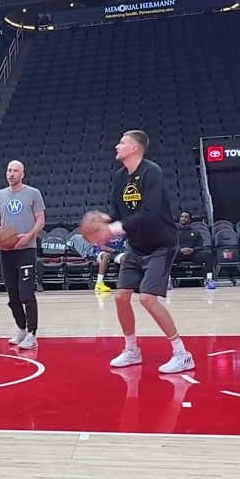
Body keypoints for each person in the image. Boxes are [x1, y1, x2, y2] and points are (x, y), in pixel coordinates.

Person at [86, 130, 194, 374]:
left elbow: (150, 212)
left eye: (122, 142)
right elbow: (118, 211)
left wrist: (113, 229)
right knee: (120, 297)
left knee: (147, 298)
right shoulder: (119, 177)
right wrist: (103, 221)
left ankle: (182, 354)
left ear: (134, 148)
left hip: (161, 244)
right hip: (136, 246)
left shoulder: (151, 172)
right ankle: (132, 350)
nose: (117, 146)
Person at [0, 160, 46, 350]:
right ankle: (21, 328)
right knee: (13, 296)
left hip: (26, 250)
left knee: (26, 293)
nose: (11, 174)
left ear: (22, 174)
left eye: (15, 171)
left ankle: (32, 334)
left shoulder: (33, 193)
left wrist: (29, 235)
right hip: (6, 251)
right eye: (9, 170)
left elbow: (41, 220)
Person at [173, 212, 215, 289]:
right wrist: (180, 250)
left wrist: (192, 250)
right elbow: (172, 245)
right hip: (180, 253)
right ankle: (168, 281)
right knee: (167, 255)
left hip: (193, 254)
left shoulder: (196, 232)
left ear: (189, 220)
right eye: (182, 217)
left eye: (185, 217)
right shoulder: (175, 232)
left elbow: (200, 246)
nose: (183, 218)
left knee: (208, 255)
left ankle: (209, 280)